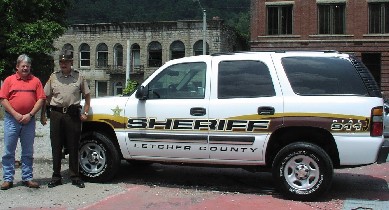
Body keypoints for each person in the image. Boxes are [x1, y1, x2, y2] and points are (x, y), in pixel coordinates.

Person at [40, 49, 91, 188]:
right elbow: (46, 97)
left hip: (73, 114)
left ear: (71, 62)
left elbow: (87, 96)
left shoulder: (79, 77)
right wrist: (43, 114)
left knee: (74, 145)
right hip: (56, 114)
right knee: (56, 146)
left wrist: (85, 112)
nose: (63, 64)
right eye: (61, 62)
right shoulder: (53, 77)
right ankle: (56, 176)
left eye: (66, 62)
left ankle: (75, 176)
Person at [0, 54, 46, 190]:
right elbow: (3, 99)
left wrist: (30, 114)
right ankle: (8, 179)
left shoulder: (36, 81)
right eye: (23, 66)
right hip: (11, 119)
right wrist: (15, 114)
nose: (25, 68)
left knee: (27, 151)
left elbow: (41, 99)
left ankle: (27, 178)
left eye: (27, 66)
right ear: (17, 67)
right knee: (9, 151)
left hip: (29, 120)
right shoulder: (9, 80)